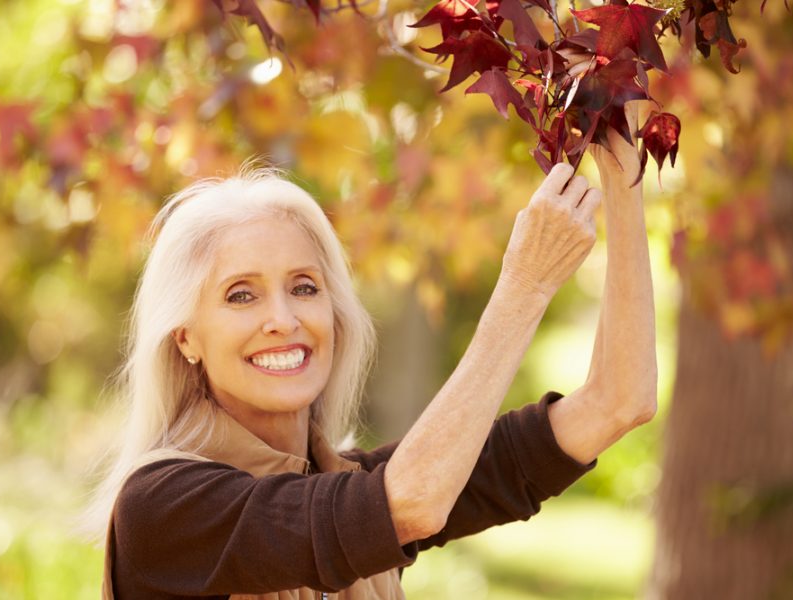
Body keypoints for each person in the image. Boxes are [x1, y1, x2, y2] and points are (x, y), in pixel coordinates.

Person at [84, 126, 656, 599]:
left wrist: (622, 166)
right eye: (241, 295)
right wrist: (524, 286)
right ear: (185, 338)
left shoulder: (351, 484)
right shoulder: (163, 508)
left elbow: (618, 402)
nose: (283, 318)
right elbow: (409, 503)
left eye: (305, 287)